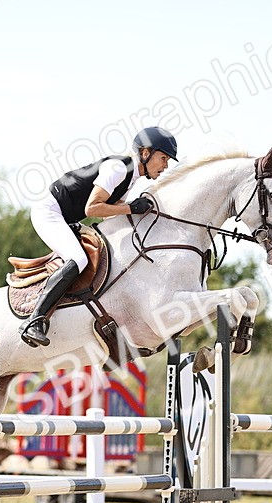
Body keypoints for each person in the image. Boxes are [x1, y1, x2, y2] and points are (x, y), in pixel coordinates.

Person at [19, 126, 179, 347]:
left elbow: (110, 211)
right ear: (145, 153)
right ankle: (34, 320)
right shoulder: (119, 168)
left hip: (65, 217)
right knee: (79, 259)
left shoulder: (130, 176)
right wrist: (131, 208)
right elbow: (92, 208)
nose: (165, 166)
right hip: (49, 211)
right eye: (163, 158)